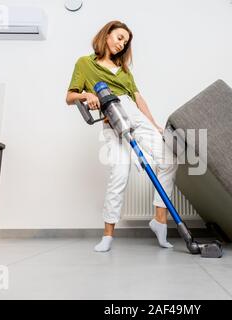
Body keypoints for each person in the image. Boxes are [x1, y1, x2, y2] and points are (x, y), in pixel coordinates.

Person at [66, 20, 178, 252]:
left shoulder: (125, 71)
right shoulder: (85, 63)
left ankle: (159, 221)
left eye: (125, 42)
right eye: (119, 38)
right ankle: (107, 236)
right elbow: (69, 96)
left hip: (134, 115)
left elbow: (138, 98)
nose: (122, 44)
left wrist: (154, 124)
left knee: (168, 161)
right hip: (111, 119)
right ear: (106, 35)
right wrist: (87, 95)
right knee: (119, 173)